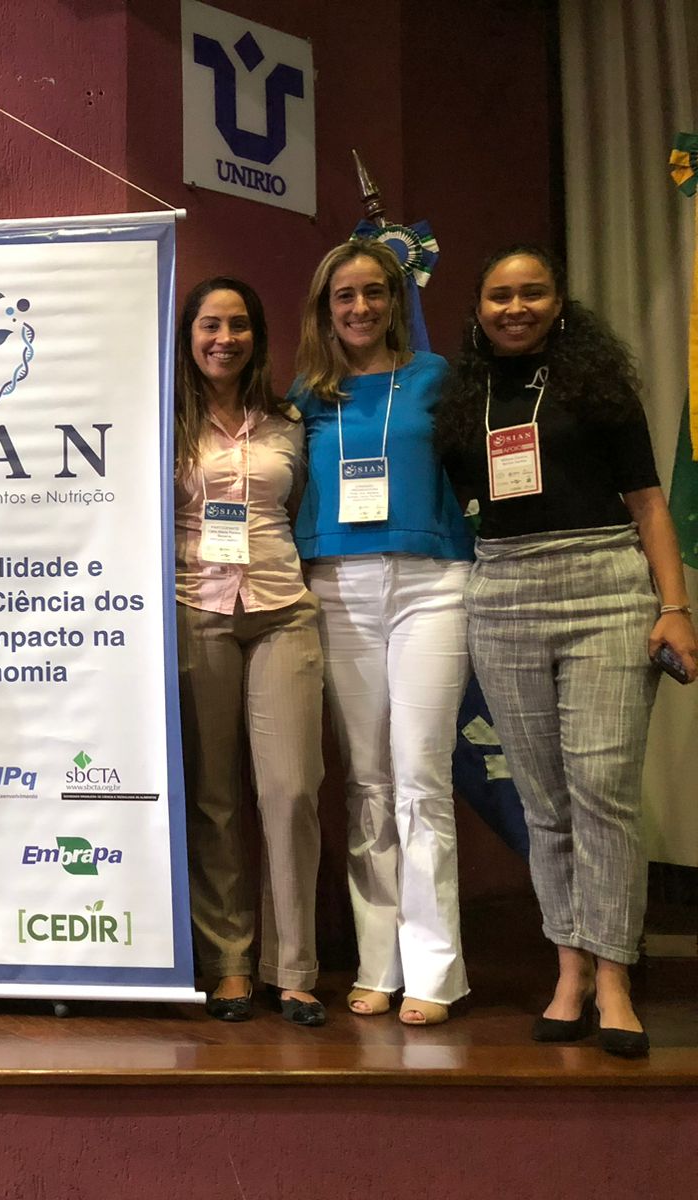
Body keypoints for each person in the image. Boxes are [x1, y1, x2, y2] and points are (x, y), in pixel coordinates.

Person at [437, 245, 697, 1058]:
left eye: (532, 293)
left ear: (558, 302)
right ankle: (569, 969)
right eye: (499, 295)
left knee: (603, 793)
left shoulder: (597, 386)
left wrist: (675, 608)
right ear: (478, 309)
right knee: (544, 801)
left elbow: (648, 502)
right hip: (504, 592)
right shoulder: (462, 399)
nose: (515, 308)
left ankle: (615, 976)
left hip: (606, 590)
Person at [290, 239, 473, 1026]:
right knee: (366, 784)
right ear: (325, 309)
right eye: (345, 295)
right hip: (338, 587)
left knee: (421, 776)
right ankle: (377, 963)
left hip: (432, 586)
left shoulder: (436, 378)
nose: (360, 306)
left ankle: (435, 969)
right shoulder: (308, 395)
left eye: (374, 292)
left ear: (396, 301)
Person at [174, 277, 327, 1026]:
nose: (224, 339)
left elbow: (302, 508)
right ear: (189, 335)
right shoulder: (167, 420)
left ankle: (293, 968)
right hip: (194, 609)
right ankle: (228, 962)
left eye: (238, 325)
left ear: (257, 337)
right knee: (214, 798)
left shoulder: (289, 421)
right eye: (210, 324)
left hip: (281, 612)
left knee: (291, 791)